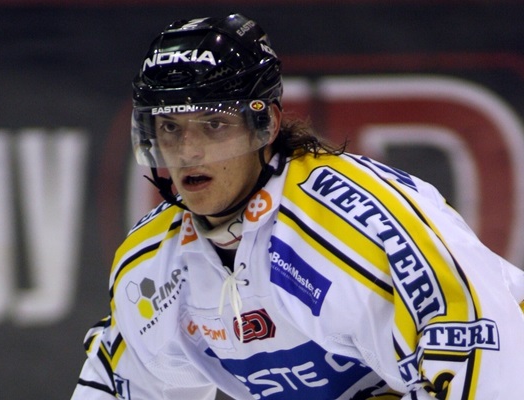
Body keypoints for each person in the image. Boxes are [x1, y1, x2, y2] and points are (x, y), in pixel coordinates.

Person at [72, 13, 524, 400]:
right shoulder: (152, 268)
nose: (187, 150)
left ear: (265, 124)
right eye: (170, 127)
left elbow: (487, 345)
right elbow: (118, 386)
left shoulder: (354, 222)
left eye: (213, 124)